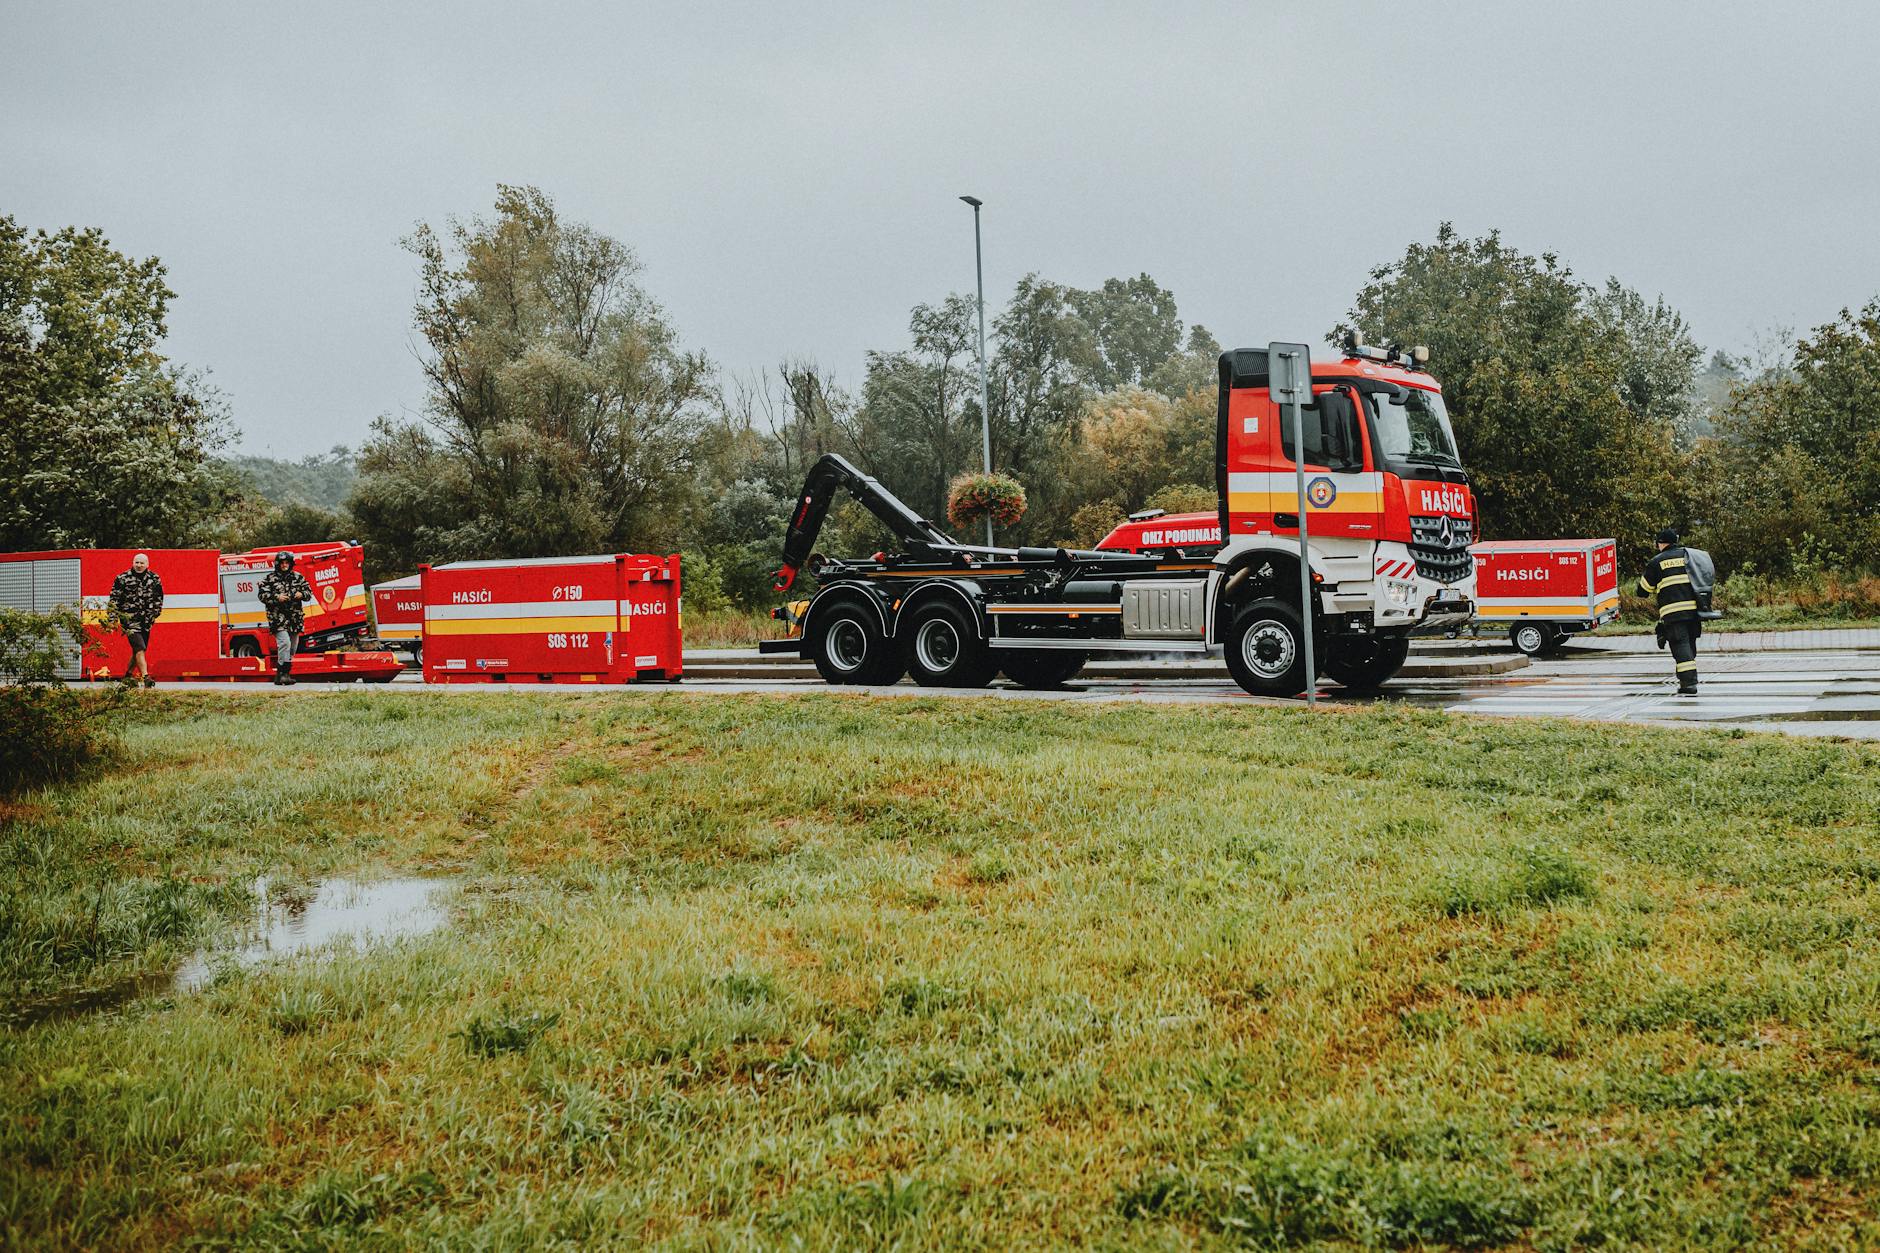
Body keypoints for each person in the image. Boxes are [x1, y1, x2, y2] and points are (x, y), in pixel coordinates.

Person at [1637, 527, 1701, 696]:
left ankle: (1689, 684)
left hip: (1673, 613)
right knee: (1689, 645)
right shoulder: (1688, 556)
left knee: (1680, 646)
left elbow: (1643, 590)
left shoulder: (1656, 562)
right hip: (1694, 611)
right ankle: (1685, 679)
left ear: (1660, 543)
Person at [256, 550, 315, 686]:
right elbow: (262, 595)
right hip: (278, 618)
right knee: (284, 643)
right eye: (282, 563)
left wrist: (302, 594)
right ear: (278, 564)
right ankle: (284, 673)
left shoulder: (298, 577)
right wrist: (277, 597)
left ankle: (281, 675)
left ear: (290, 563)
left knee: (292, 647)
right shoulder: (269, 578)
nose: (284, 565)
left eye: (287, 562)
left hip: (294, 618)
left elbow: (308, 592)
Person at [108, 552, 165, 688]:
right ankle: (146, 677)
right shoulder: (122, 578)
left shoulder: (154, 578)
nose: (139, 565)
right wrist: (112, 619)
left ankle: (128, 676)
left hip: (146, 620)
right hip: (129, 619)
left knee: (138, 650)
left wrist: (155, 613)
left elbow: (159, 597)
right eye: (136, 562)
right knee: (140, 647)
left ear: (147, 564)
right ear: (133, 563)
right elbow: (114, 600)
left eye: (142, 563)